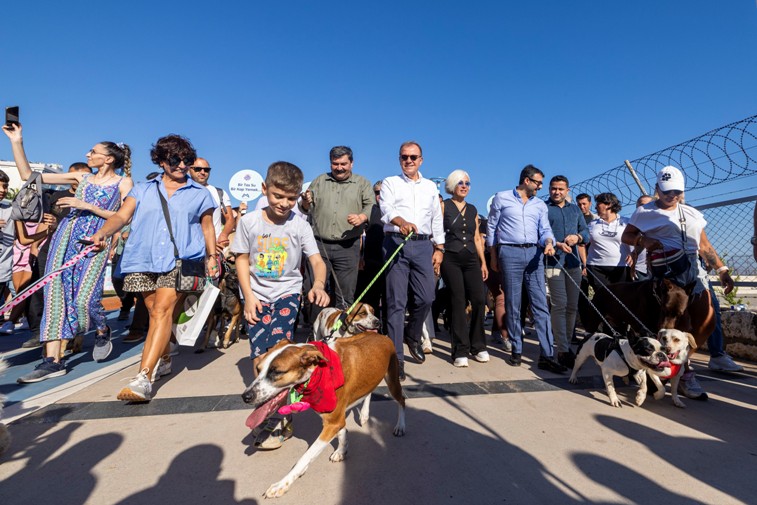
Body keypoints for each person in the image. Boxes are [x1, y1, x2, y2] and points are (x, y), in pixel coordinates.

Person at [91, 134, 217, 401]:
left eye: (188, 160)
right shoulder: (143, 189)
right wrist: (102, 233)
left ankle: (144, 378)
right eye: (175, 159)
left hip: (180, 260)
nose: (183, 165)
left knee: (161, 311)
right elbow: (122, 216)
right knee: (153, 313)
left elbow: (207, 227)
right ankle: (166, 355)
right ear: (160, 161)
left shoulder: (200, 193)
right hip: (141, 259)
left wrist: (212, 256)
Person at [3, 123, 133, 383]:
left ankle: (102, 327)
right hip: (65, 240)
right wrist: (17, 141)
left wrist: (84, 204)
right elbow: (29, 174)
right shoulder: (80, 178)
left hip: (94, 242)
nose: (88, 154)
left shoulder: (123, 182)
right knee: (55, 298)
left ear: (107, 158)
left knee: (85, 300)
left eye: (93, 151)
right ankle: (52, 361)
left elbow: (124, 217)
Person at [232, 161, 329, 449]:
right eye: (278, 196)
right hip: (256, 295)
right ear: (265, 190)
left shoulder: (300, 225)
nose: (284, 203)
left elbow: (315, 261)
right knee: (260, 355)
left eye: (291, 198)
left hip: (287, 293)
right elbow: (241, 258)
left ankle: (277, 418)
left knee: (279, 346)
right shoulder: (249, 222)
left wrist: (318, 285)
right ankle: (266, 402)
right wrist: (248, 296)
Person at [622, 165, 739, 398]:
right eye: (666, 192)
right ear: (657, 189)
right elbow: (627, 236)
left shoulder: (692, 214)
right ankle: (679, 373)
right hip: (666, 277)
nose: (671, 196)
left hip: (693, 272)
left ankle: (681, 364)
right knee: (673, 325)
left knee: (706, 322)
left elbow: (704, 246)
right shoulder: (645, 212)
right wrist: (643, 241)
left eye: (676, 192)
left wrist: (722, 270)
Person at [486, 165, 566, 373]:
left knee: (540, 304)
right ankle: (516, 349)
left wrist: (549, 241)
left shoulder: (539, 205)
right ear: (527, 181)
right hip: (509, 253)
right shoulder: (501, 198)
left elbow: (545, 228)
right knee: (513, 303)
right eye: (538, 182)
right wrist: (493, 255)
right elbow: (492, 228)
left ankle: (547, 354)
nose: (541, 187)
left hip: (534, 254)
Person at [380, 141, 444, 380]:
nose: (408, 161)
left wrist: (440, 248)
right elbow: (385, 208)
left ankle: (413, 334)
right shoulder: (390, 182)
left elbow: (436, 218)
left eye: (413, 157)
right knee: (396, 302)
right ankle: (396, 359)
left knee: (427, 296)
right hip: (396, 242)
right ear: (399, 159)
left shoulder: (429, 187)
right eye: (404, 157)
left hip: (423, 245)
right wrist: (400, 222)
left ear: (421, 160)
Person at [300, 146, 374, 310]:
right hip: (318, 246)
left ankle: (341, 333)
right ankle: (316, 331)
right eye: (335, 164)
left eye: (343, 164)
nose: (339, 168)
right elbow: (305, 207)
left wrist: (362, 217)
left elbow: (371, 205)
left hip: (348, 246)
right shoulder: (319, 181)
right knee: (314, 289)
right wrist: (305, 201)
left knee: (345, 293)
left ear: (352, 163)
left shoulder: (362, 183)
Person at [440, 170, 488, 367]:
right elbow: (438, 231)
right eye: (460, 182)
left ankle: (478, 345)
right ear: (452, 185)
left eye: (467, 183)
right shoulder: (444, 206)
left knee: (478, 300)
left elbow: (477, 238)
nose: (464, 186)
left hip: (471, 260)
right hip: (450, 258)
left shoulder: (473, 209)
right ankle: (460, 349)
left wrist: (483, 262)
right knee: (458, 300)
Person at [545, 175, 589, 368]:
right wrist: (556, 243)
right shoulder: (543, 208)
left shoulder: (575, 210)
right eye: (554, 188)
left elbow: (586, 233)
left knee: (572, 306)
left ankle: (566, 343)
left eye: (561, 189)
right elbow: (539, 233)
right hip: (552, 263)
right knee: (559, 304)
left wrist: (577, 237)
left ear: (567, 191)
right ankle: (562, 349)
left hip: (573, 263)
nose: (557, 192)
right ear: (549, 189)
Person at [585, 192, 632, 297]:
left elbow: (636, 239)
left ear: (609, 204)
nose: (596, 206)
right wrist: (584, 262)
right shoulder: (592, 224)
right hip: (596, 266)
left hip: (621, 266)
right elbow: (582, 243)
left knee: (622, 297)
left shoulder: (626, 222)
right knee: (604, 297)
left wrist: (634, 253)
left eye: (598, 203)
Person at [355, 180, 387, 332]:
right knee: (371, 297)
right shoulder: (370, 210)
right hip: (371, 260)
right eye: (377, 192)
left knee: (390, 299)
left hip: (391, 261)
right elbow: (361, 234)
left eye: (383, 192)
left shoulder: (396, 209)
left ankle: (387, 331)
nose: (380, 196)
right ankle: (370, 330)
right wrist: (360, 257)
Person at [189, 157, 235, 252]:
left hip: (215, 249)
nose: (202, 172)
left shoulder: (219, 192)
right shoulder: (182, 193)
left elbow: (230, 218)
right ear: (189, 169)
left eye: (206, 170)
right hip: (191, 249)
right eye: (198, 169)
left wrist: (223, 235)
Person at [629, 195, 654, 280]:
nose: (644, 208)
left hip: (658, 266)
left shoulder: (660, 224)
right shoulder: (631, 227)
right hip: (640, 270)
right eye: (641, 205)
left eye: (648, 205)